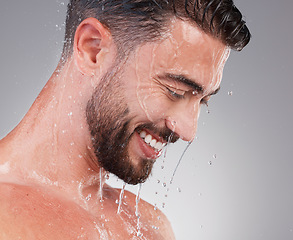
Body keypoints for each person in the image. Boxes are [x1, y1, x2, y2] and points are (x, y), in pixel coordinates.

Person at [0, 0, 250, 239]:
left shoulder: (151, 226)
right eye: (175, 91)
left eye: (202, 101)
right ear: (93, 49)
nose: (188, 131)